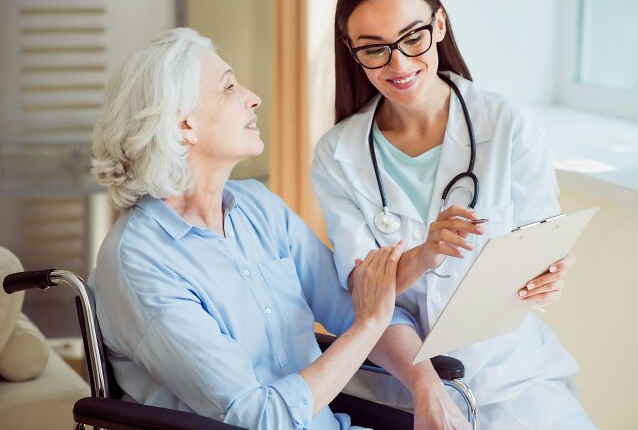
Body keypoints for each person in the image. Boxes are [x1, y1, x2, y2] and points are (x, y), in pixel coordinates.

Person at [88, 27, 456, 429]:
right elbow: (258, 418)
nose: (253, 97)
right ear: (184, 125)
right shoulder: (139, 263)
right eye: (229, 87)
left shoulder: (257, 207)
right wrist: (368, 324)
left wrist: (426, 386)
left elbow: (358, 302)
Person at [311, 0, 596, 428]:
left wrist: (549, 274)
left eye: (412, 38)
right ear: (352, 50)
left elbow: (539, 241)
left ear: (439, 24)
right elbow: (366, 292)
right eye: (375, 49)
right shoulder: (338, 156)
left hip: (513, 376)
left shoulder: (507, 126)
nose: (398, 64)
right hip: (403, 385)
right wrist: (423, 255)